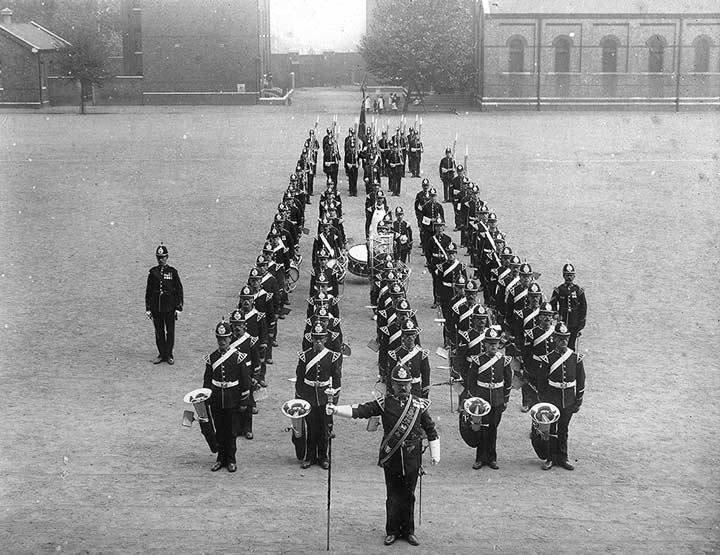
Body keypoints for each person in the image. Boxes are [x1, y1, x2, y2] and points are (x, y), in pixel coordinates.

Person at [326, 363, 440, 547]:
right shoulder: (384, 402)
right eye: (398, 384)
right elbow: (361, 410)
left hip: (412, 459)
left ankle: (409, 532)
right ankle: (392, 531)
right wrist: (337, 410)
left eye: (406, 384)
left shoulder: (419, 405)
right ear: (392, 385)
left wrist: (436, 452)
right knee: (393, 496)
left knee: (409, 495)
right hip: (392, 458)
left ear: (411, 384)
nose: (402, 387)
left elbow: (430, 428)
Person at [203, 321, 253, 472]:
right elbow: (207, 381)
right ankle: (220, 458)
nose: (222, 341)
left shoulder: (238, 357)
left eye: (224, 338)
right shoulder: (212, 358)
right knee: (220, 429)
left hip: (232, 398)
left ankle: (231, 459)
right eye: (219, 338)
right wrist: (206, 400)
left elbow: (245, 381)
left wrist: (244, 400)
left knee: (231, 431)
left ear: (230, 338)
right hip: (217, 398)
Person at [460, 328, 511, 470]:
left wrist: (505, 399)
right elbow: (471, 381)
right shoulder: (477, 360)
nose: (493, 346)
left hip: (497, 399)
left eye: (495, 343)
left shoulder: (504, 360)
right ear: (485, 344)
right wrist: (474, 400)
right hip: (481, 400)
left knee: (493, 429)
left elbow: (508, 381)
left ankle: (492, 458)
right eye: (490, 343)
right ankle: (480, 458)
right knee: (481, 428)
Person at [537, 323, 585, 471]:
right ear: (554, 339)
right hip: (552, 398)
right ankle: (551, 458)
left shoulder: (575, 358)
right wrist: (544, 401)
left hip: (569, 399)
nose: (563, 341)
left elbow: (581, 380)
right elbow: (542, 382)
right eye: (560, 338)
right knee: (551, 429)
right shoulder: (548, 359)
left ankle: (563, 458)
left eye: (565, 338)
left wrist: (578, 400)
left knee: (563, 429)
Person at [294, 322, 342, 469]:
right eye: (315, 339)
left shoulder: (332, 356)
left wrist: (333, 400)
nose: (318, 342)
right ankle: (310, 456)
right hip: (308, 396)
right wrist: (299, 400)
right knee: (311, 428)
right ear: (311, 339)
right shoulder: (304, 356)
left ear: (326, 339)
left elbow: (337, 378)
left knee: (324, 429)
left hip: (324, 397)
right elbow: (299, 378)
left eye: (321, 338)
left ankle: (323, 457)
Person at [145, 244, 183, 365]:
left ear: (167, 257)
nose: (161, 259)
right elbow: (149, 291)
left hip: (169, 307)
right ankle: (161, 354)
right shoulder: (153, 272)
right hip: (157, 307)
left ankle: (169, 354)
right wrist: (148, 308)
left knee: (170, 331)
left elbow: (179, 290)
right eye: (159, 257)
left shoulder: (172, 272)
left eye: (163, 257)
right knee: (159, 331)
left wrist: (178, 307)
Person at [550, 263, 587, 351]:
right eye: (567, 275)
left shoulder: (578, 290)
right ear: (563, 276)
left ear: (574, 276)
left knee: (571, 344)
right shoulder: (559, 290)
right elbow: (552, 303)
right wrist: (555, 314)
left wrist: (581, 322)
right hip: (562, 319)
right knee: (560, 341)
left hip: (574, 321)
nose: (569, 278)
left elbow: (583, 307)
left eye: (571, 275)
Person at [344, 127, 360, 196]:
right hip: (350, 166)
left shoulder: (356, 152)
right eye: (352, 148)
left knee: (355, 179)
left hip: (355, 166)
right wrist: (347, 164)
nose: (353, 149)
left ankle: (355, 191)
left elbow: (359, 158)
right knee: (350, 179)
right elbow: (346, 158)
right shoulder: (348, 153)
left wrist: (358, 164)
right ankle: (351, 191)